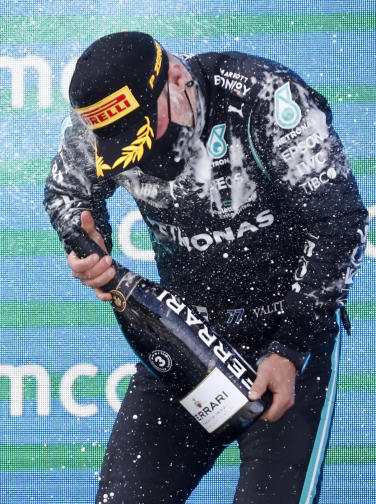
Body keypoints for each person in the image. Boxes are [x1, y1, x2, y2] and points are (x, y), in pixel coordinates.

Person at [44, 31, 368, 504]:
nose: (144, 153)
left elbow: (340, 221)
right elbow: (66, 195)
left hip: (287, 342)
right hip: (184, 335)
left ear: (176, 78)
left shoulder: (263, 96)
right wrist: (84, 239)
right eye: (123, 143)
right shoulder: (95, 128)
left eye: (144, 129)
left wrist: (292, 345)